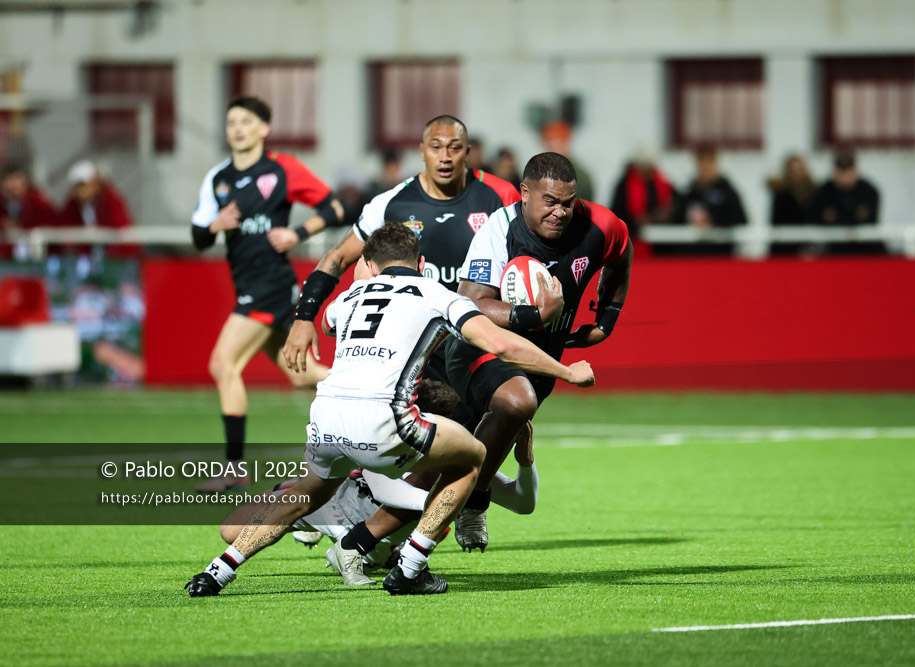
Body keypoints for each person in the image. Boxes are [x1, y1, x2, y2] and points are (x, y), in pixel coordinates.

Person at [185, 222, 594, 597]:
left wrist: (363, 280)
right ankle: (411, 569)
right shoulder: (437, 295)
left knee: (303, 496)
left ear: (368, 264)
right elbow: (502, 344)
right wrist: (566, 371)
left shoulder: (350, 295)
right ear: (421, 263)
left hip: (325, 417)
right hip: (383, 422)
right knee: (474, 456)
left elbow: (327, 322)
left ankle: (217, 572)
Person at [447, 151, 632, 552]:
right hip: (480, 351)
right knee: (515, 404)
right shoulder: (500, 228)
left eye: (568, 202)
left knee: (449, 463)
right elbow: (472, 303)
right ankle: (471, 506)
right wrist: (535, 314)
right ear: (525, 193)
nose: (560, 212)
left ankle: (374, 541)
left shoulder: (601, 225)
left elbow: (622, 255)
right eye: (549, 202)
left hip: (543, 358)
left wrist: (606, 318)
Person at [219, 381, 541, 588]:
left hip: (370, 538)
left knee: (446, 484)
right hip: (337, 507)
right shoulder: (384, 439)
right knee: (231, 531)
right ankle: (296, 494)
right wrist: (441, 505)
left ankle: (357, 546)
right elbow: (385, 490)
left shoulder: (454, 460)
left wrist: (526, 462)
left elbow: (521, 504)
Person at [281, 114, 520, 385]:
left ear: (467, 152)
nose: (445, 156)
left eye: (454, 148)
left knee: (510, 407)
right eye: (435, 147)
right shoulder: (391, 203)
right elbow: (337, 256)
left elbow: (526, 261)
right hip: (415, 345)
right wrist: (303, 317)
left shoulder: (502, 195)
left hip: (477, 342)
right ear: (421, 151)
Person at [190, 96, 345, 492]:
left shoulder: (281, 167)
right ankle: (378, 392)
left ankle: (233, 468)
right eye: (231, 122)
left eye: (245, 121)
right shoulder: (217, 179)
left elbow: (334, 208)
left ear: (264, 128)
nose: (237, 128)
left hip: (270, 286)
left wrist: (297, 233)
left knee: (223, 364)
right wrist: (214, 227)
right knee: (302, 377)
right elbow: (198, 237)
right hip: (250, 286)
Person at [809, 148, 884, 254]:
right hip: (832, 247)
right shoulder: (824, 191)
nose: (844, 176)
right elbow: (817, 219)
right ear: (834, 171)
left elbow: (868, 221)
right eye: (841, 170)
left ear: (855, 171)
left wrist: (837, 218)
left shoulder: (868, 191)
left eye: (848, 170)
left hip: (865, 247)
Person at [60, 159, 137, 258]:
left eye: (82, 185)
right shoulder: (72, 205)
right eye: (76, 186)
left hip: (113, 258)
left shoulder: (110, 201)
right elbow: (64, 228)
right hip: (87, 259)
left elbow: (121, 229)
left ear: (95, 184)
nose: (79, 191)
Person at [609, 149, 673, 257]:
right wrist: (636, 221)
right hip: (633, 238)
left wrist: (664, 215)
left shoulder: (661, 183)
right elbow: (616, 215)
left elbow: (672, 204)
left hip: (659, 243)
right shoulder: (624, 186)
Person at [0, 163, 57, 260]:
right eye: (10, 179)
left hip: (36, 258)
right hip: (6, 260)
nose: (14, 184)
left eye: (17, 178)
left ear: (25, 181)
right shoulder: (2, 205)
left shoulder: (38, 203)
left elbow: (53, 224)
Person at [540, 121, 594, 201]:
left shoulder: (580, 176)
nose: (553, 149)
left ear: (566, 143)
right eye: (550, 145)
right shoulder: (539, 171)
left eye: (558, 143)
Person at [768, 154, 815, 225]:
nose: (797, 174)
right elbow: (776, 219)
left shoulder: (814, 192)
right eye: (794, 170)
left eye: (799, 169)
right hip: (787, 233)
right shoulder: (781, 194)